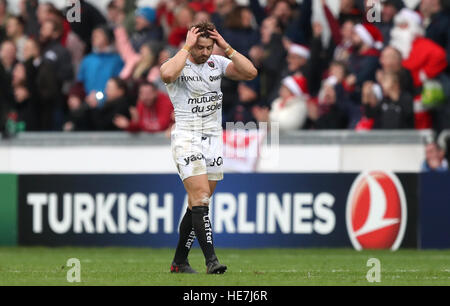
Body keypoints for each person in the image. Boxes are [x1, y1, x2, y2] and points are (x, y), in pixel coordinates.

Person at [160, 21, 257, 274]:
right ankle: (211, 261)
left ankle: (179, 262)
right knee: (201, 195)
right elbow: (167, 75)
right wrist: (186, 48)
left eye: (208, 47)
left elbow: (250, 73)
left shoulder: (217, 62)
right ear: (191, 44)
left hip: (213, 139)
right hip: (186, 137)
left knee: (197, 204)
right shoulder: (179, 63)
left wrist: (226, 47)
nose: (204, 52)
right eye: (199, 47)